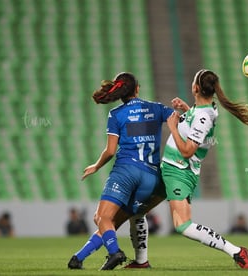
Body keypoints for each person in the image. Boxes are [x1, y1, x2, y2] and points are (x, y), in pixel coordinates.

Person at [68, 72, 174, 270]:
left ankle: (115, 252)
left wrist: (96, 166)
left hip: (126, 171)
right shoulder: (157, 108)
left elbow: (110, 151)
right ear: (137, 89)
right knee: (111, 222)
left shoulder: (116, 114)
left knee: (101, 218)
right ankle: (78, 258)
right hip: (151, 177)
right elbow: (183, 121)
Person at [162, 69, 248, 269]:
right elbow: (197, 124)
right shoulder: (203, 110)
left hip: (179, 169)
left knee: (183, 226)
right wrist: (186, 109)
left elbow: (188, 150)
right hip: (174, 168)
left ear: (196, 88)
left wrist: (172, 127)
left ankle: (235, 251)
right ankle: (140, 259)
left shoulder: (202, 117)